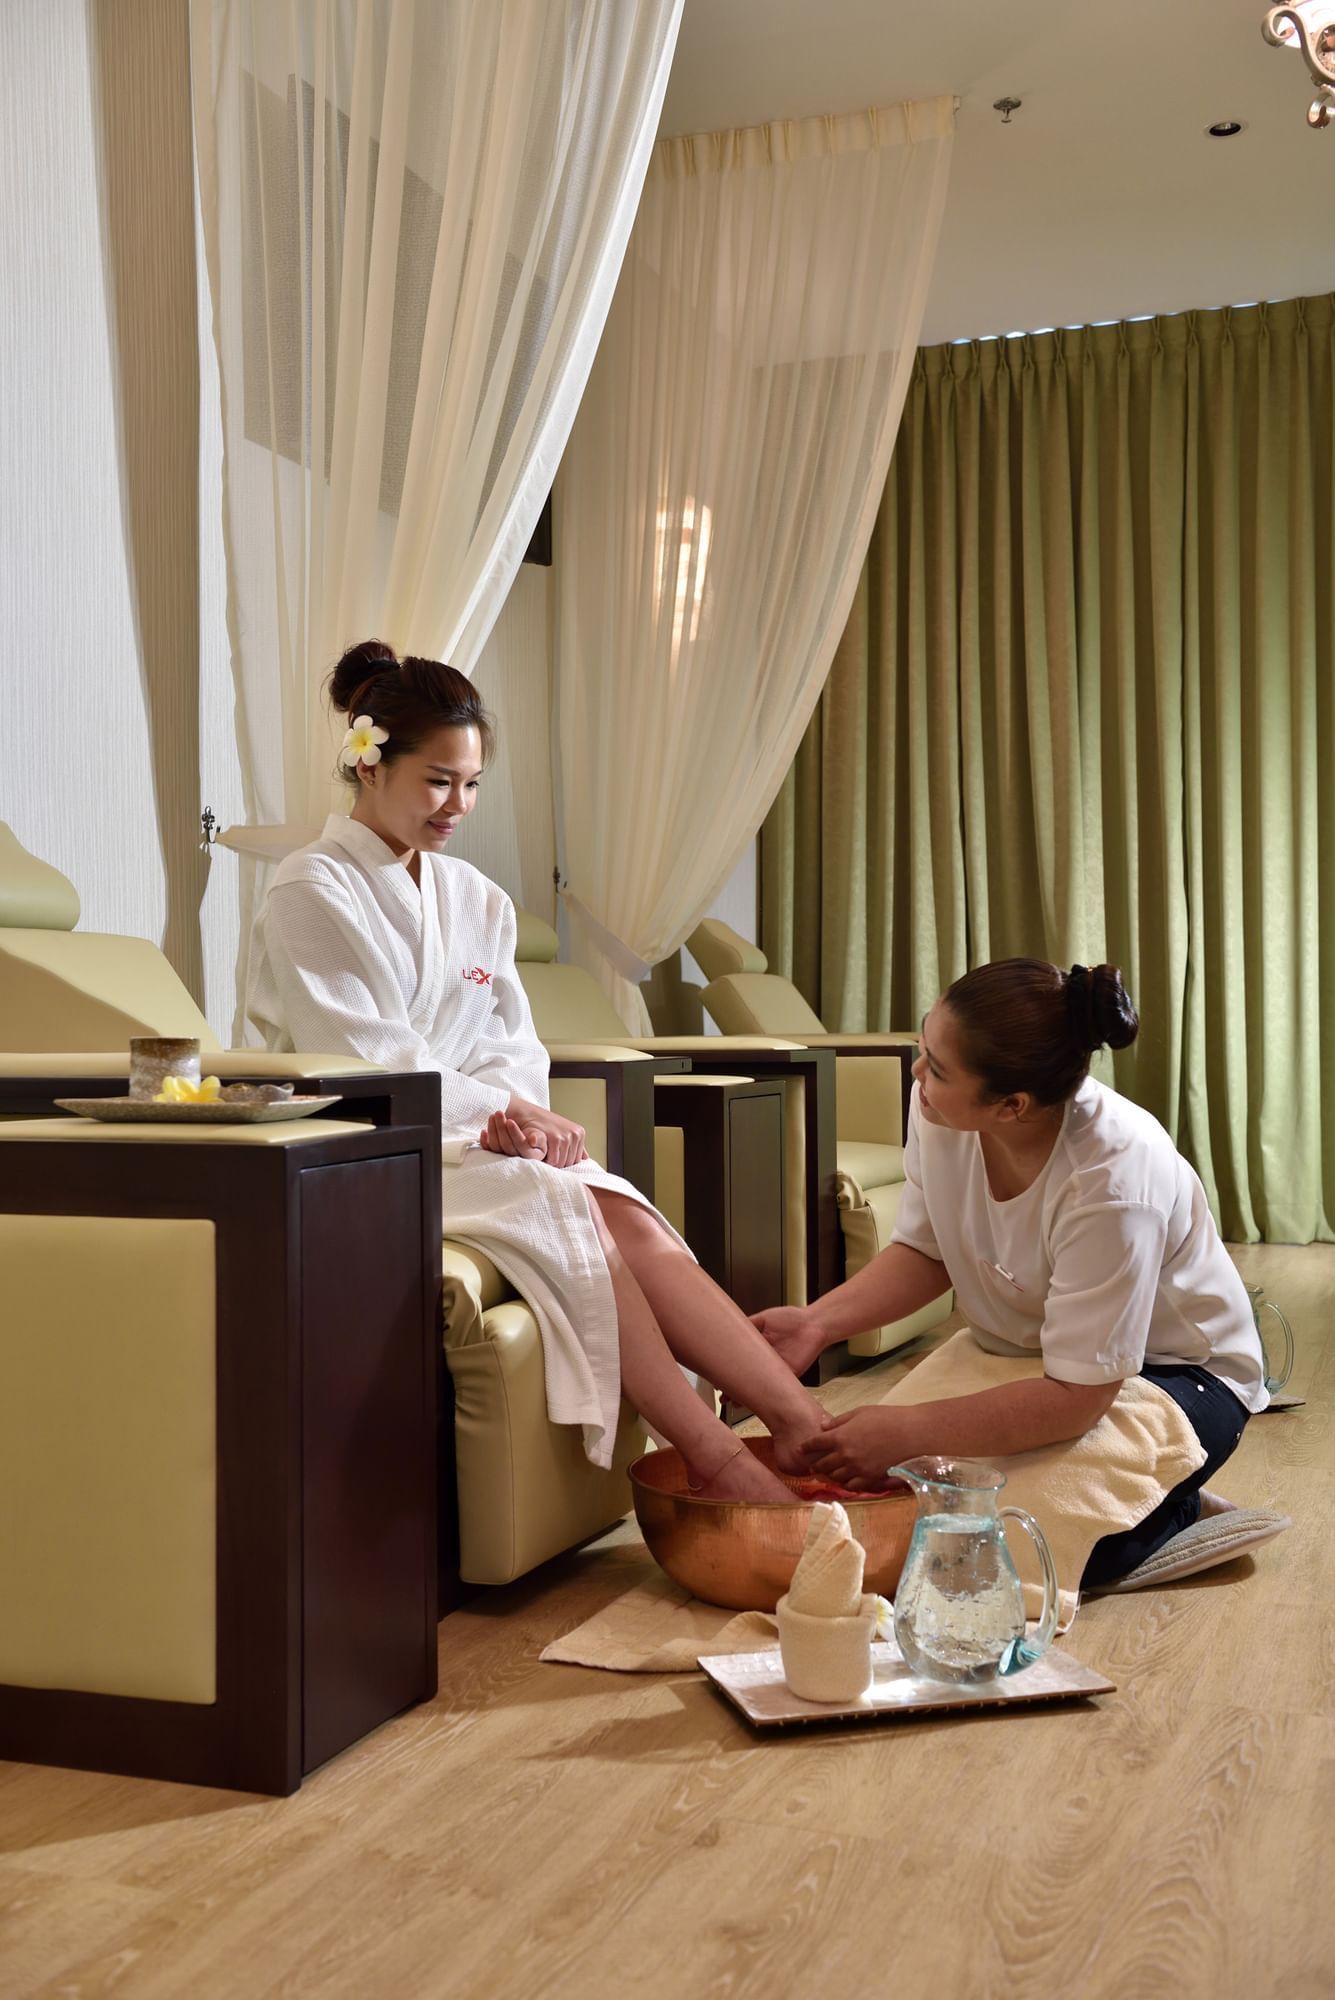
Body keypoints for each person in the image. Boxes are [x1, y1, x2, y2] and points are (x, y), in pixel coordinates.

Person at [248, 639, 824, 1502]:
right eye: (437, 780)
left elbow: (508, 1040)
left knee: (619, 1207)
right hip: (366, 1139)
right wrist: (492, 1115)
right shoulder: (310, 888)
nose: (458, 805)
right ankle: (724, 1462)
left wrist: (514, 1109)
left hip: (466, 1131)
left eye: (471, 783)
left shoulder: (475, 897)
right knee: (576, 1205)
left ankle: (802, 1431)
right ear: (369, 766)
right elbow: (361, 1052)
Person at [752, 959, 1270, 1585]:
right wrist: (816, 1323)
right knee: (880, 1499)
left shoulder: (1113, 1178)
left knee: (1020, 1550)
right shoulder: (940, 1110)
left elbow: (1080, 1396)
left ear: (1012, 1105)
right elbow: (927, 1252)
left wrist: (911, 1429)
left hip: (1176, 1376)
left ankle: (1172, 1505)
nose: (917, 1074)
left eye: (937, 1068)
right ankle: (1134, 1494)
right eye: (924, 1046)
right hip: (1035, 1360)